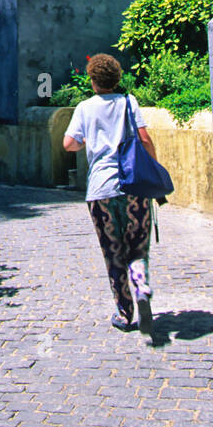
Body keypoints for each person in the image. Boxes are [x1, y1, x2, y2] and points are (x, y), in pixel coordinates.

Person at [63, 54, 158, 335]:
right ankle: (140, 283)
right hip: (133, 187)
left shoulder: (84, 108)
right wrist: (153, 170)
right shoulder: (129, 102)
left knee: (113, 252)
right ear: (117, 78)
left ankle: (125, 314)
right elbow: (144, 139)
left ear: (93, 80)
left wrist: (88, 141)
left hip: (100, 190)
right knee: (137, 245)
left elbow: (69, 143)